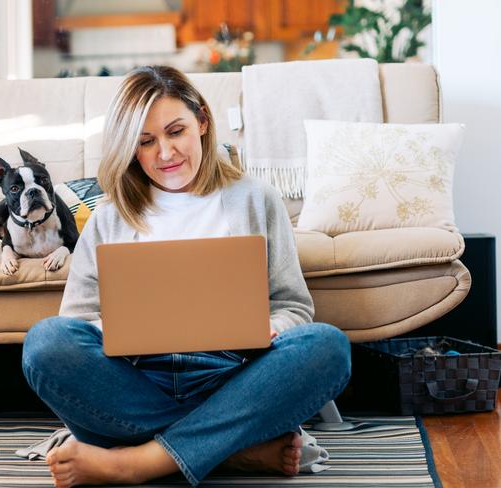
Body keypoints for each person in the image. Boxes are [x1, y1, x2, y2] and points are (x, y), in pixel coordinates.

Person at [22, 65, 351, 488]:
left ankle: (136, 462)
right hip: (137, 382)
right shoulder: (108, 218)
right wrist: (119, 329)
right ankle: (233, 451)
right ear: (131, 150)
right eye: (146, 142)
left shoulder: (256, 200)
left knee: (328, 347)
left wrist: (272, 326)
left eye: (175, 131)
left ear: (202, 122)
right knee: (45, 343)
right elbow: (76, 324)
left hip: (234, 379)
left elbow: (294, 306)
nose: (165, 153)